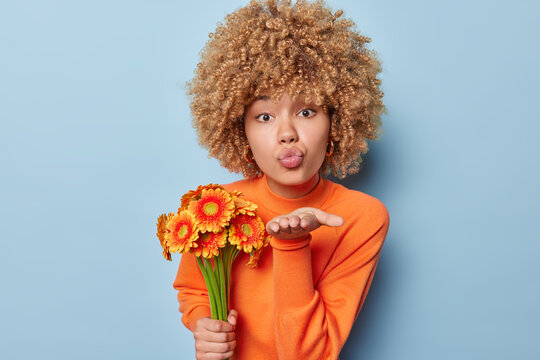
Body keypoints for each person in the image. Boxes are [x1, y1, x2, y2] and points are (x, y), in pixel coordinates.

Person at [173, 1, 389, 359]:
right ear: (239, 129)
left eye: (307, 111)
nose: (287, 133)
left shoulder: (361, 218)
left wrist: (292, 245)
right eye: (264, 116)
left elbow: (307, 355)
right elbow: (192, 290)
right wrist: (202, 325)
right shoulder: (213, 208)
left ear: (336, 121)